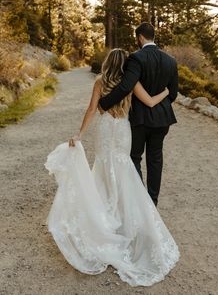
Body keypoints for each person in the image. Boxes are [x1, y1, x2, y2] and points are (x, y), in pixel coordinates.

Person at [45, 48, 179, 287]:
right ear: (125, 65)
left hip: (106, 130)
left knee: (104, 168)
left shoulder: (100, 81)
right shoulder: (130, 82)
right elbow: (148, 101)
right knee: (124, 168)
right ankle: (127, 219)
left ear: (107, 63)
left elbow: (91, 110)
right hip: (122, 130)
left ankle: (105, 218)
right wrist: (167, 91)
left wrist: (80, 133)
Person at [99, 22, 178, 206]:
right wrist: (159, 108)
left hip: (140, 120)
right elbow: (172, 93)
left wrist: (104, 103)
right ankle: (152, 200)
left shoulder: (136, 58)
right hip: (162, 119)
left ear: (140, 37)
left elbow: (126, 86)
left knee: (134, 157)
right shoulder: (171, 61)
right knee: (155, 158)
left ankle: (141, 202)